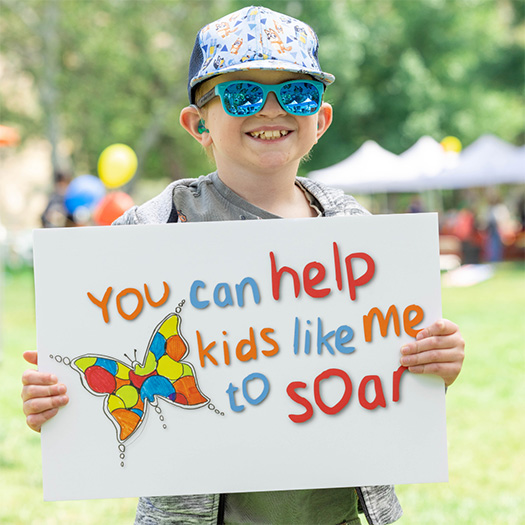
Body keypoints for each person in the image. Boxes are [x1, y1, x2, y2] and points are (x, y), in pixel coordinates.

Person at [21, 6, 465, 525]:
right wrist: (57, 402)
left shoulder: (357, 232)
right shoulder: (152, 232)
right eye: (243, 94)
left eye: (297, 93)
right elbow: (103, 368)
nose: (272, 110)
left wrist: (437, 362)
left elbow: (396, 368)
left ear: (320, 119)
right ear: (198, 124)